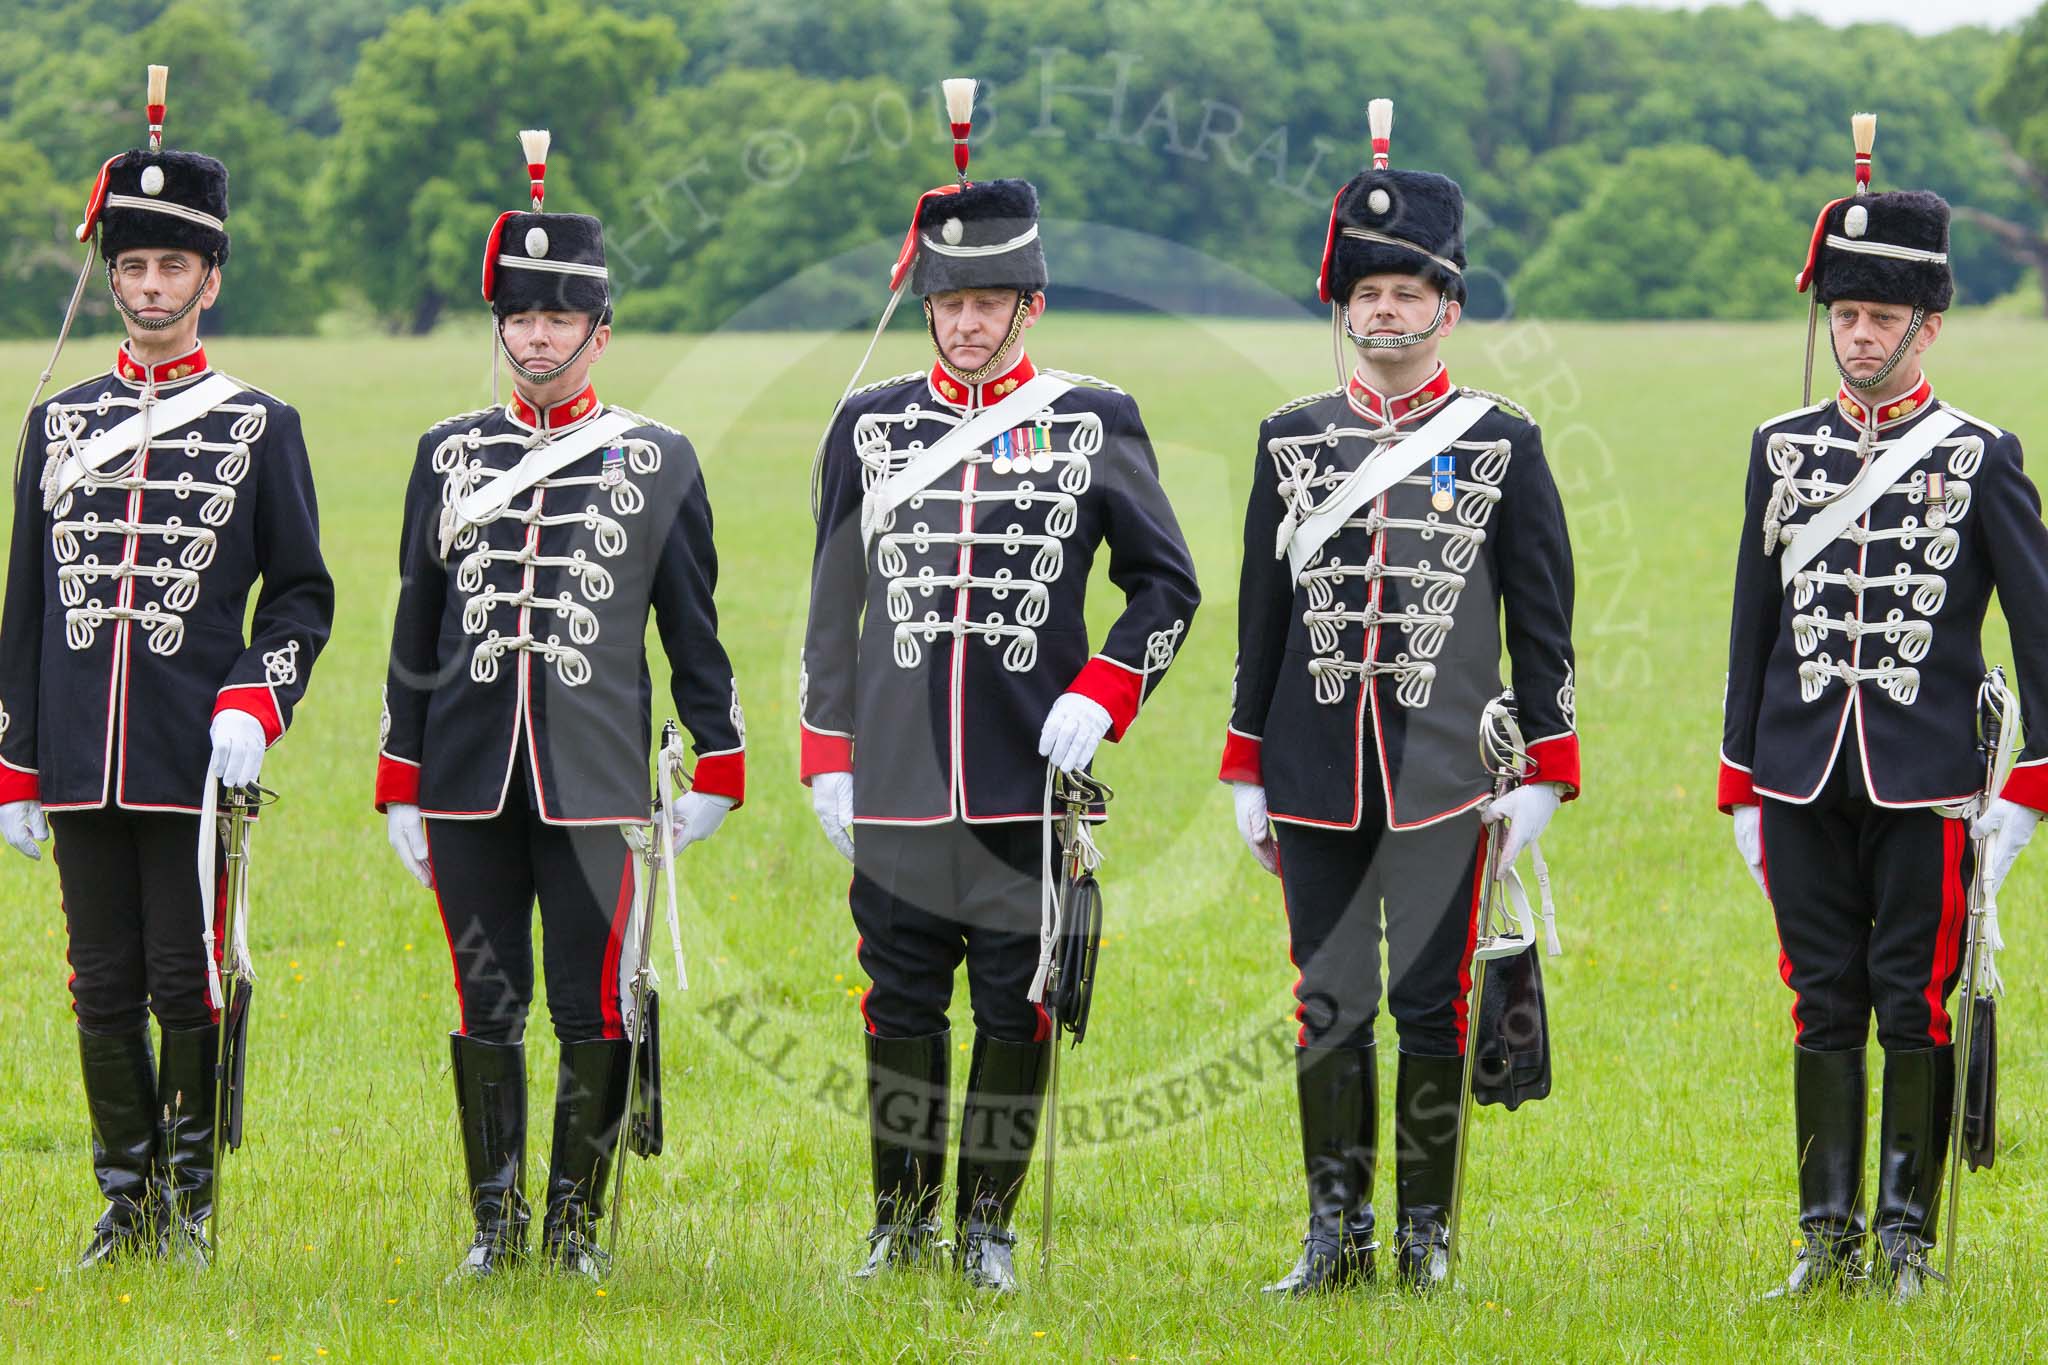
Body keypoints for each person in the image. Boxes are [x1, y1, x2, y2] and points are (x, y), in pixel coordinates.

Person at [798, 78, 1200, 1292]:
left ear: (1030, 303)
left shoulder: (1092, 416)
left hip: (1033, 768)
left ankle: (986, 1229)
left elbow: (1166, 588)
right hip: (899, 774)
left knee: (1019, 1004)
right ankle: (900, 1223)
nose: (966, 326)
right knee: (898, 1004)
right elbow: (829, 611)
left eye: (987, 303)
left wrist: (1110, 688)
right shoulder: (866, 424)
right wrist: (829, 755)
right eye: (948, 302)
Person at [1219, 99, 1579, 1294]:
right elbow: (1258, 621)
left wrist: (1544, 766)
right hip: (1313, 764)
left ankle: (1423, 1240)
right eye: (1365, 289)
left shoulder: (1500, 440)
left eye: (1407, 290)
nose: (1384, 307)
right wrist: (1242, 767)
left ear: (1448, 309)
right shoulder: (1289, 439)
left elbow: (1542, 616)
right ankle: (1334, 1237)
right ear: (1343, 306)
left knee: (1430, 1007)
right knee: (1328, 1004)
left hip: (1443, 774)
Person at [375, 130, 744, 1280]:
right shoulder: (447, 454)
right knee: (485, 1002)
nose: (537, 339)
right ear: (501, 328)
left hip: (592, 780)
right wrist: (400, 776)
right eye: (520, 320)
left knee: (592, 1005)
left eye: (559, 321)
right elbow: (416, 625)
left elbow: (692, 626)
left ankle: (575, 1234)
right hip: (467, 775)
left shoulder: (659, 457)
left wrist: (720, 760)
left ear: (600, 332)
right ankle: (494, 1232)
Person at [0, 65, 334, 1268]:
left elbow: (301, 594)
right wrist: (14, 763)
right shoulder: (60, 421)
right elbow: (26, 605)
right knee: (96, 982)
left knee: (184, 980)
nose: (150, 290)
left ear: (210, 280)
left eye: (171, 270)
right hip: (80, 750)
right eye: (131, 269)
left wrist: (259, 695)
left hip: (195, 753)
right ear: (113, 279)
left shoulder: (263, 424)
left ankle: (189, 1210)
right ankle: (124, 1200)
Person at [1720, 114, 2048, 1303]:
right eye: (1843, 318)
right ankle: (1824, 1239)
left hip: (1924, 777)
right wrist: (1737, 782)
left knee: (1911, 1001)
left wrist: (2027, 790)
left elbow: (2039, 624)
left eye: (1879, 319)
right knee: (1818, 1004)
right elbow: (1749, 624)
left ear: (1927, 326)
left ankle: (1904, 1238)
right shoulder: (1777, 449)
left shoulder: (1978, 453)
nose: (1857, 338)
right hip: (1802, 772)